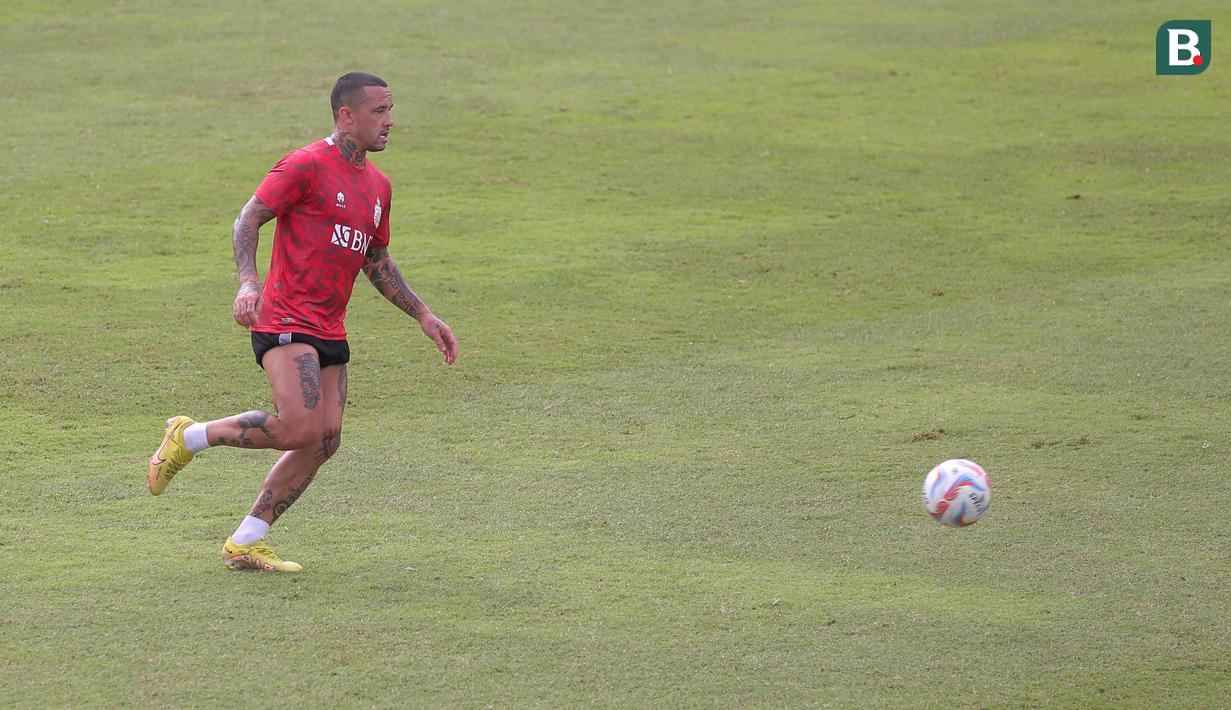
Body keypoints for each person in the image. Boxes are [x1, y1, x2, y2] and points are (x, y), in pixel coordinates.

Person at [147, 72, 457, 572]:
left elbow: (375, 259)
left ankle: (247, 540)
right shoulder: (306, 164)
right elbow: (248, 218)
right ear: (346, 116)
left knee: (324, 440)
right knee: (297, 428)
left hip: (330, 327)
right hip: (285, 316)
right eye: (379, 112)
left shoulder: (379, 186)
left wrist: (423, 313)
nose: (389, 121)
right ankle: (190, 436)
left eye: (390, 111)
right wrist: (247, 284)